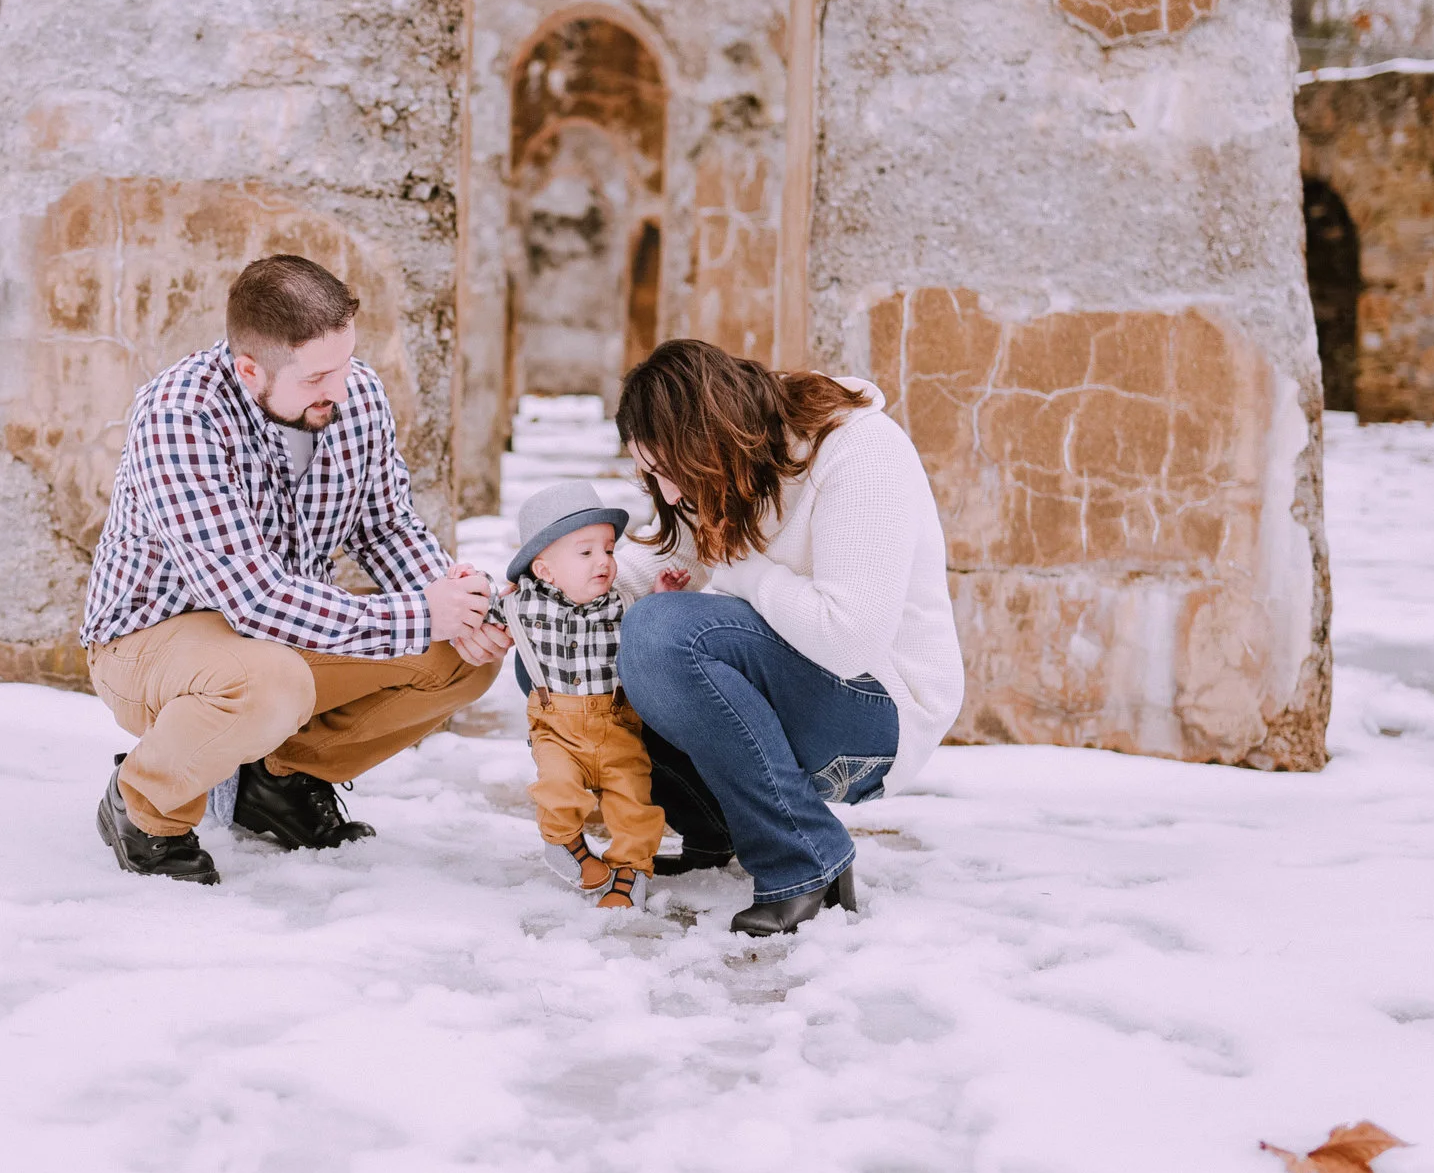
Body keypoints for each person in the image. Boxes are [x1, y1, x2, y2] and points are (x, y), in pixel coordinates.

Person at [82, 255, 511, 884]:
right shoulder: (180, 415)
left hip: (285, 634)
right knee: (270, 683)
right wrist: (420, 614)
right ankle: (144, 804)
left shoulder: (356, 394)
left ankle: (278, 782)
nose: (341, 388)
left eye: (345, 363)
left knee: (460, 656)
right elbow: (253, 600)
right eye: (316, 377)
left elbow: (384, 525)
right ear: (250, 369)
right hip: (152, 639)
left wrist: (459, 604)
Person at [612, 339, 963, 936]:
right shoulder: (725, 465)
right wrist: (546, 595)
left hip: (881, 710)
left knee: (660, 635)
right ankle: (713, 828)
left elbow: (848, 640)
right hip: (805, 683)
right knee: (575, 646)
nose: (668, 495)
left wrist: (739, 568)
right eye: (652, 476)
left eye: (668, 471)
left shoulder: (860, 451)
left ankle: (805, 858)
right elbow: (665, 559)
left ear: (707, 437)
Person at [498, 482, 665, 911]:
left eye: (608, 550)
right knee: (557, 787)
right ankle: (564, 843)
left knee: (632, 799)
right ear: (545, 571)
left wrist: (662, 599)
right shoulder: (522, 606)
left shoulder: (622, 603)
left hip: (617, 727)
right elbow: (478, 610)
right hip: (556, 728)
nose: (604, 561)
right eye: (586, 552)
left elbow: (653, 631)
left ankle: (631, 868)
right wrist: (467, 590)